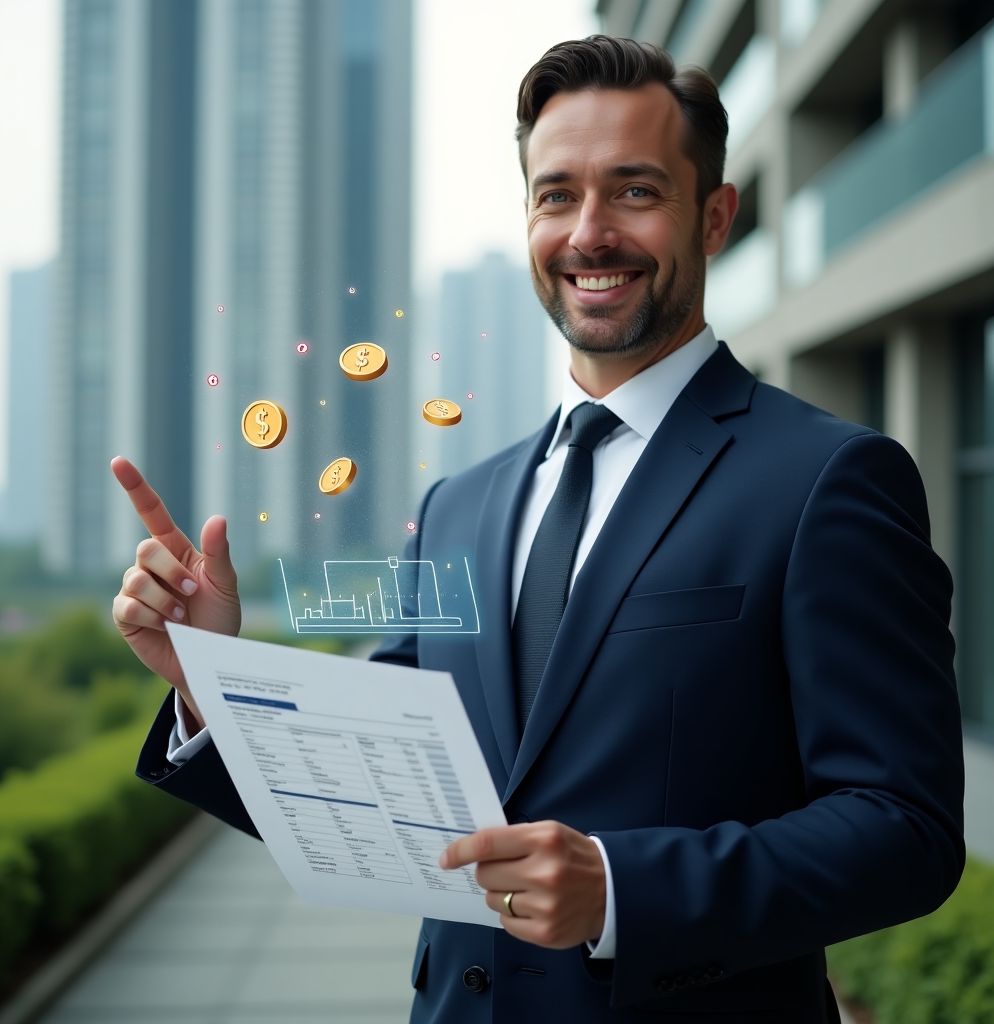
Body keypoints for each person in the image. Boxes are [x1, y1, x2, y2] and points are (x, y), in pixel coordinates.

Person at [113, 36, 964, 1024]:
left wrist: (621, 887)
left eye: (634, 191)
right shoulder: (457, 506)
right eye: (556, 195)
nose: (588, 232)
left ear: (716, 215)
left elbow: (904, 828)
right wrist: (210, 678)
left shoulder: (828, 479)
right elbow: (371, 776)